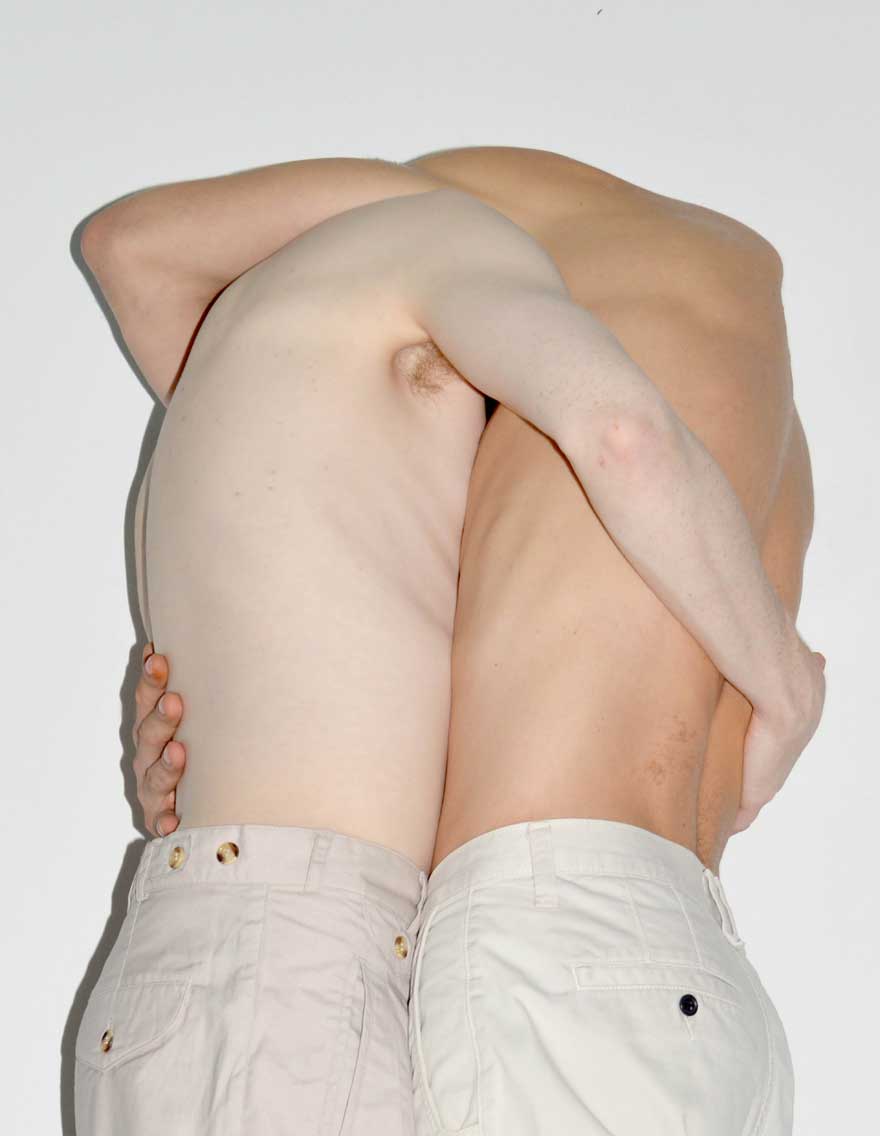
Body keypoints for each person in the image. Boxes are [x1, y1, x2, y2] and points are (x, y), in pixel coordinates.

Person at [79, 150, 824, 1135]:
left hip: (447, 950)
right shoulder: (714, 328)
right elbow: (622, 442)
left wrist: (220, 706)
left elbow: (128, 246)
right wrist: (786, 686)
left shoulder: (394, 290)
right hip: (670, 979)